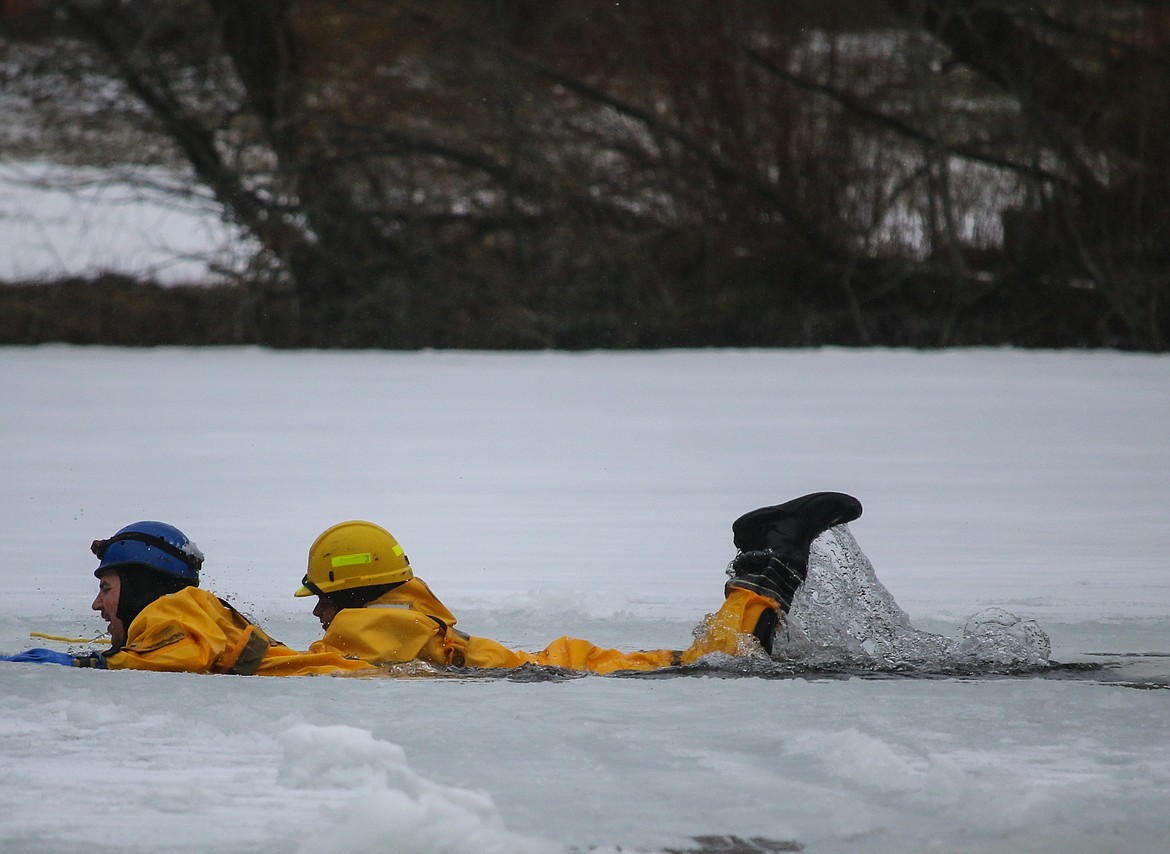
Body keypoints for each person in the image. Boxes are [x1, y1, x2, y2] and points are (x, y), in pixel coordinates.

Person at [298, 492, 863, 674]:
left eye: (321, 597)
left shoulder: (363, 626)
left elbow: (305, 669)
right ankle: (769, 559)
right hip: (557, 661)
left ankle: (771, 558)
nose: (318, 614)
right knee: (706, 661)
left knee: (720, 665)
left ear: (349, 592)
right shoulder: (405, 616)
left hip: (553, 669)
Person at [1, 521, 371, 676]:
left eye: (106, 588)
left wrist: (89, 666)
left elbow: (185, 655)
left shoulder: (174, 611)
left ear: (139, 587)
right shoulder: (190, 608)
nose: (97, 605)